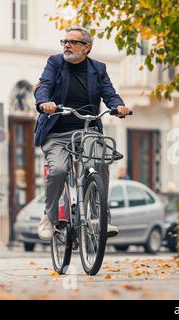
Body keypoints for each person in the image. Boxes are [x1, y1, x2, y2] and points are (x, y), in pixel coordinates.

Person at [34, 26, 131, 241]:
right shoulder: (55, 63)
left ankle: (99, 216)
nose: (67, 45)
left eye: (73, 42)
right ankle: (49, 217)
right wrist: (44, 103)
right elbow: (44, 85)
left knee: (100, 164)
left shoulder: (98, 68)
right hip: (57, 133)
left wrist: (119, 106)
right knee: (58, 170)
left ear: (86, 47)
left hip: (87, 131)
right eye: (65, 41)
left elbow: (109, 94)